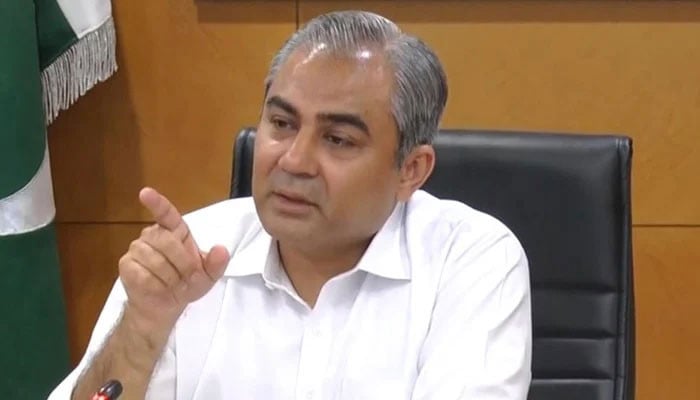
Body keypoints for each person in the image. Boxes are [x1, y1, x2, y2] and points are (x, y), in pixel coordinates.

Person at [49, 10, 532, 400]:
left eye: (338, 139)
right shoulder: (186, 257)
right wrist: (143, 327)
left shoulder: (469, 262)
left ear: (411, 170)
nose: (294, 160)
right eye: (281, 124)